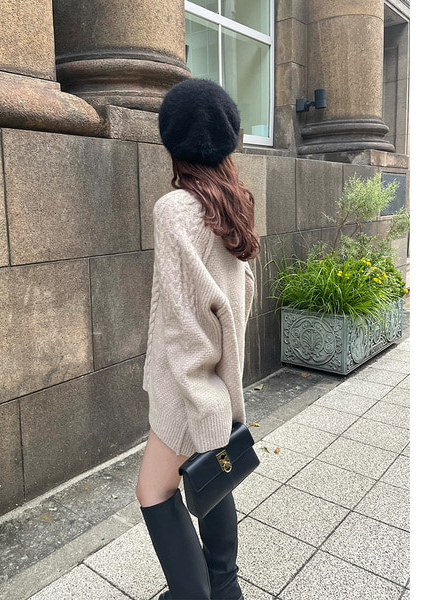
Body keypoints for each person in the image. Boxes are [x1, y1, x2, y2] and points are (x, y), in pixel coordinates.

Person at [136, 78, 260, 600]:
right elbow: (242, 296)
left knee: (153, 491)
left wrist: (202, 403)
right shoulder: (233, 206)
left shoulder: (176, 210)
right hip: (215, 384)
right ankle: (224, 588)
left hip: (187, 389)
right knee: (210, 475)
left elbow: (186, 323)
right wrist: (220, 396)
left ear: (173, 141)